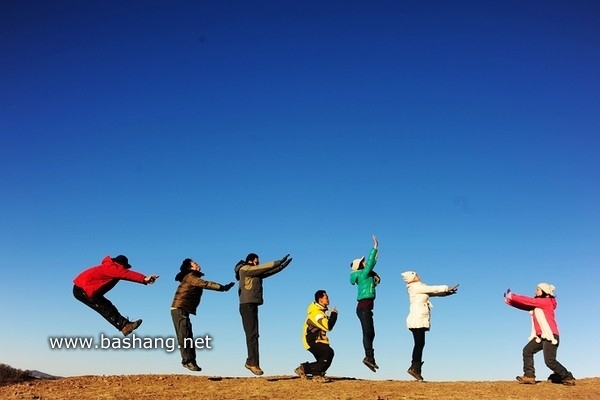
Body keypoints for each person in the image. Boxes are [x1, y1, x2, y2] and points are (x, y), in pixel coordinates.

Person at [503, 283, 576, 386]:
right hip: (541, 337)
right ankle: (529, 376)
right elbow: (525, 305)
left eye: (538, 289)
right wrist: (510, 301)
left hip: (551, 335)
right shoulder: (538, 304)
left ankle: (568, 377)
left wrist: (513, 296)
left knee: (549, 361)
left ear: (545, 292)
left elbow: (528, 301)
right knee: (527, 351)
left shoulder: (546, 302)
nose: (535, 291)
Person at [171, 258, 235, 372]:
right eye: (195, 263)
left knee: (187, 334)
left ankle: (191, 361)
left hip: (182, 309)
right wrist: (223, 288)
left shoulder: (191, 276)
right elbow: (206, 284)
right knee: (184, 335)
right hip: (179, 308)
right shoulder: (191, 277)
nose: (198, 264)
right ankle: (187, 361)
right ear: (190, 267)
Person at [234, 252, 293, 375]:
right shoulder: (245, 269)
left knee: (254, 335)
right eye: (257, 260)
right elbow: (264, 267)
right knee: (251, 335)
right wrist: (279, 261)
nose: (259, 262)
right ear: (253, 260)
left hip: (252, 305)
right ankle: (252, 363)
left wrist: (283, 266)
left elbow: (269, 271)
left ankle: (252, 361)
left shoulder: (254, 272)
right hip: (247, 306)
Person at [73, 255, 159, 336]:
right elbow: (126, 274)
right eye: (125, 267)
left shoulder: (110, 267)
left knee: (107, 305)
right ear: (122, 265)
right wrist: (144, 278)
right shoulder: (114, 268)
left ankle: (125, 325)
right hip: (82, 290)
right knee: (104, 307)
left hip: (84, 289)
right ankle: (124, 326)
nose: (124, 269)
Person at [400, 271, 458, 381]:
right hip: (417, 319)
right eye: (416, 275)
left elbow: (433, 293)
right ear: (412, 278)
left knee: (419, 343)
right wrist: (447, 288)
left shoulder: (417, 287)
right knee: (419, 343)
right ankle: (414, 368)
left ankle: (415, 368)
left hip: (417, 319)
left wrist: (447, 293)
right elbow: (433, 289)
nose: (419, 276)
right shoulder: (416, 286)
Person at [349, 235, 380, 372]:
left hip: (364, 306)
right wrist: (375, 247)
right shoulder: (363, 274)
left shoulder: (365, 275)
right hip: (364, 307)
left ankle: (370, 358)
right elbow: (372, 263)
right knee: (368, 332)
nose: (365, 262)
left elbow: (372, 265)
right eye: (363, 262)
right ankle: (368, 357)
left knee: (370, 333)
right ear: (360, 266)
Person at [294, 290, 338, 382]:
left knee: (324, 359)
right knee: (328, 353)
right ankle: (316, 375)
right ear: (320, 300)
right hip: (312, 340)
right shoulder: (316, 313)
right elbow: (327, 326)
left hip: (320, 341)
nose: (328, 299)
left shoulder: (322, 312)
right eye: (326, 297)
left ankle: (303, 369)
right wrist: (334, 315)